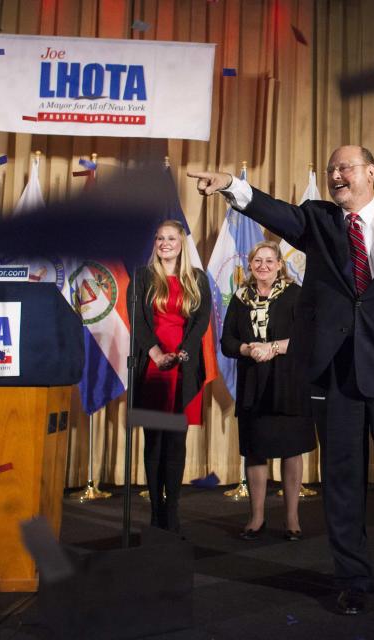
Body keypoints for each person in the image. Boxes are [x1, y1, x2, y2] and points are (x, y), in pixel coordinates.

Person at [188, 146, 374, 613]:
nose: (337, 175)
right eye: (332, 168)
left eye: (346, 167)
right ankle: (354, 580)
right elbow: (277, 211)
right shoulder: (318, 220)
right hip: (335, 376)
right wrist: (232, 187)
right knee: (342, 485)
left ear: (371, 173)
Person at [220, 240, 316, 542]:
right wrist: (248, 349)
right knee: (256, 451)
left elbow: (307, 338)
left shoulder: (295, 295)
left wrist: (273, 348)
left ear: (279, 264)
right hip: (253, 385)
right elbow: (227, 342)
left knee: (291, 450)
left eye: (269, 260)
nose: (263, 265)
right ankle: (256, 518)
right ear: (250, 265)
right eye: (257, 261)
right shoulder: (239, 298)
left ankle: (292, 520)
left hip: (288, 382)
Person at [127, 220, 211, 534]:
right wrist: (156, 354)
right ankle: (156, 511)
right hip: (153, 368)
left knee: (176, 442)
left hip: (185, 369)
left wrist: (184, 352)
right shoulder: (142, 277)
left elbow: (202, 320)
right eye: (160, 238)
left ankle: (172, 510)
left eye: (171, 238)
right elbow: (137, 320)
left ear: (181, 243)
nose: (165, 243)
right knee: (154, 441)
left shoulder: (197, 278)